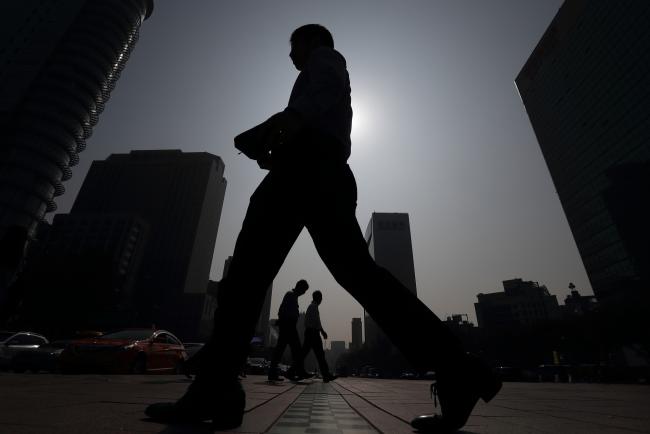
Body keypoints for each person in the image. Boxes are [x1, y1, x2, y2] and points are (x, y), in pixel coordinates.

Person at [145, 24, 501, 433]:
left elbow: (324, 93)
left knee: (248, 272)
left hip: (306, 172)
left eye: (293, 45)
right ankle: (458, 368)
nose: (290, 55)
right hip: (318, 170)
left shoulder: (323, 59)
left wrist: (282, 125)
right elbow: (317, 115)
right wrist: (273, 143)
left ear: (310, 41)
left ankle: (217, 387)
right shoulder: (312, 75)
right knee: (357, 274)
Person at [267, 279, 312, 382]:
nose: (304, 293)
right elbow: (281, 310)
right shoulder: (290, 295)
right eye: (304, 290)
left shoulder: (293, 296)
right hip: (288, 326)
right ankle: (297, 372)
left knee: (284, 350)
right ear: (299, 287)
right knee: (294, 350)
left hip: (289, 326)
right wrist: (283, 321)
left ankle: (288, 373)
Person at [301, 290, 336, 382]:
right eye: (321, 298)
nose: (321, 300)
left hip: (311, 332)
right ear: (318, 298)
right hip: (313, 333)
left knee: (306, 354)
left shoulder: (312, 307)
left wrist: (321, 331)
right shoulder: (313, 307)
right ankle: (326, 375)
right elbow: (316, 322)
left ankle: (292, 371)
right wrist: (322, 332)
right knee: (320, 355)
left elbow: (315, 322)